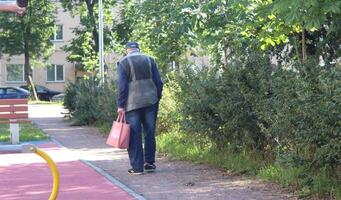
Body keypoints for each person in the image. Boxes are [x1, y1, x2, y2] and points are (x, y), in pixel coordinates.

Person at [117, 42, 163, 175]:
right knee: (149, 132)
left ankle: (137, 168)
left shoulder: (123, 62)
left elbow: (122, 86)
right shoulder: (149, 59)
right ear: (138, 49)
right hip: (150, 101)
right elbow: (158, 81)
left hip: (132, 105)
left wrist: (121, 105)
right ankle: (149, 163)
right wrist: (157, 96)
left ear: (127, 50)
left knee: (134, 134)